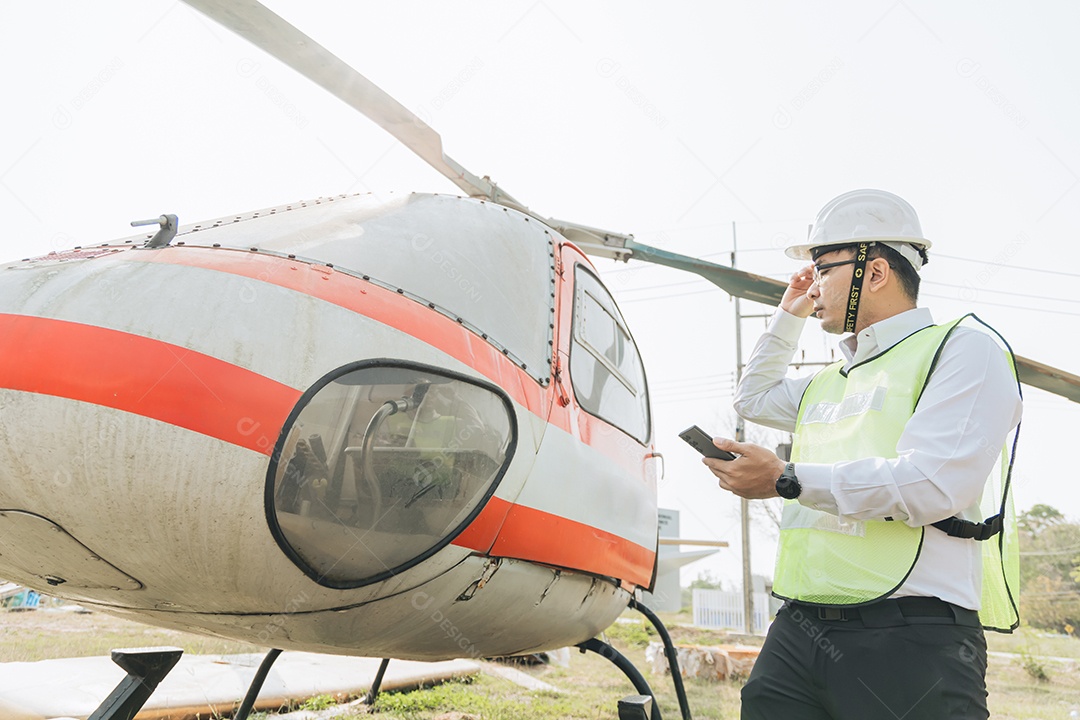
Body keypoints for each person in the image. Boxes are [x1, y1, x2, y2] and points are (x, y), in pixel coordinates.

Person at [704, 189, 1022, 720]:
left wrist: (786, 479)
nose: (812, 283)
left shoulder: (964, 350)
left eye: (822, 268)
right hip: (802, 627)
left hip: (912, 634)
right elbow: (753, 396)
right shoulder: (830, 380)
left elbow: (932, 486)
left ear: (875, 274)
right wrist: (789, 311)